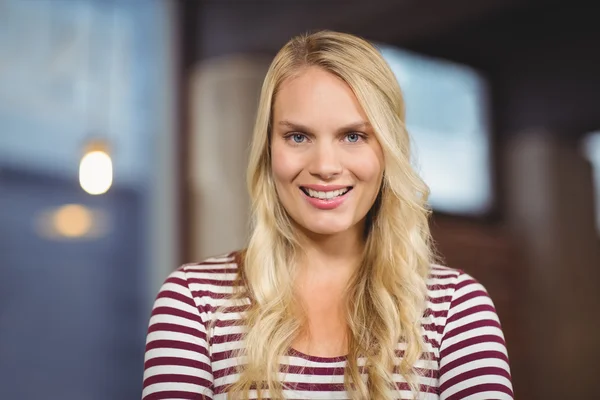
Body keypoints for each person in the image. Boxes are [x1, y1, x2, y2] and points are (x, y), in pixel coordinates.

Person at [142, 30, 513, 400]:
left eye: (352, 136)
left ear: (387, 150)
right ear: (268, 149)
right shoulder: (193, 302)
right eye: (298, 137)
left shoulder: (455, 310)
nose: (325, 166)